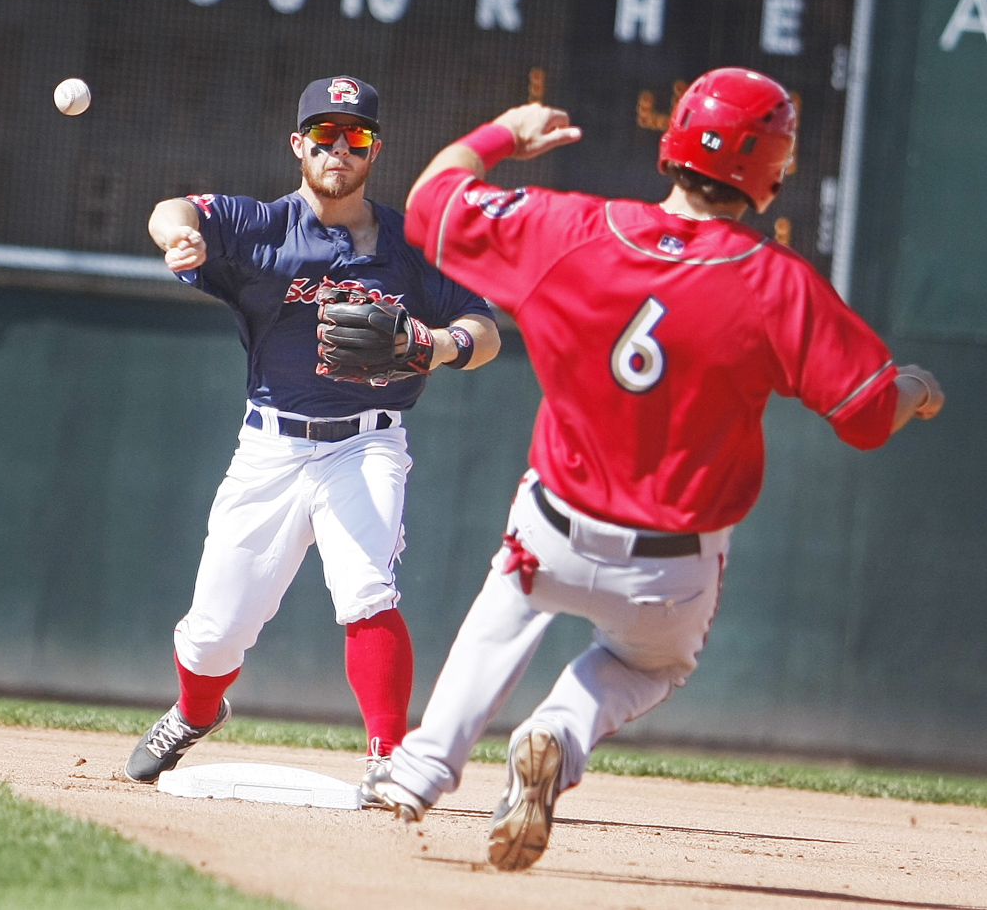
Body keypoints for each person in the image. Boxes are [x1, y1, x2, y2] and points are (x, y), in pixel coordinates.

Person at [362, 67, 945, 870]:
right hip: (670, 570)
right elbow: (867, 417)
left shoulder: (569, 230)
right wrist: (913, 388)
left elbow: (430, 205)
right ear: (770, 172)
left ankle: (422, 768)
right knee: (652, 664)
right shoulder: (778, 285)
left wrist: (502, 133)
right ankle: (558, 735)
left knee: (510, 596)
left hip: (554, 527)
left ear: (672, 144)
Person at [123, 76, 500, 795]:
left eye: (353, 136)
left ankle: (389, 757)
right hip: (271, 445)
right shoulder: (260, 227)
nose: (337, 149)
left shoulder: (408, 246)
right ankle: (195, 713)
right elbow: (173, 207)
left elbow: (485, 332)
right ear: (298, 145)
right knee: (212, 633)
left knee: (366, 589)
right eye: (322, 135)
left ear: (374, 149)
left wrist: (438, 343)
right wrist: (177, 234)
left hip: (367, 442)